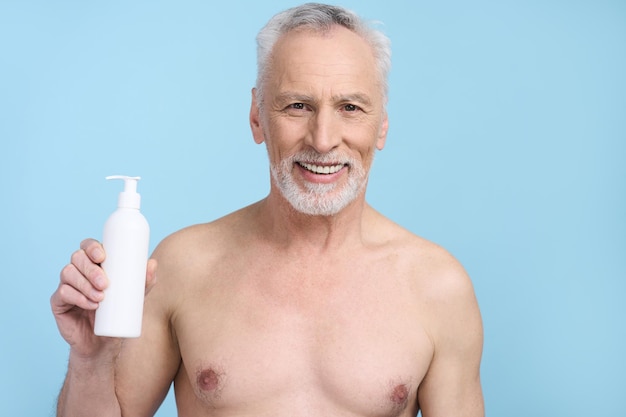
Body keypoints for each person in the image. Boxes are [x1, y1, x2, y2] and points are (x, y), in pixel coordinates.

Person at [51, 3, 484, 416]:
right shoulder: (183, 266)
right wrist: (90, 359)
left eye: (350, 108)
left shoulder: (437, 287)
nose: (323, 139)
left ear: (381, 126)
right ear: (258, 117)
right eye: (298, 106)